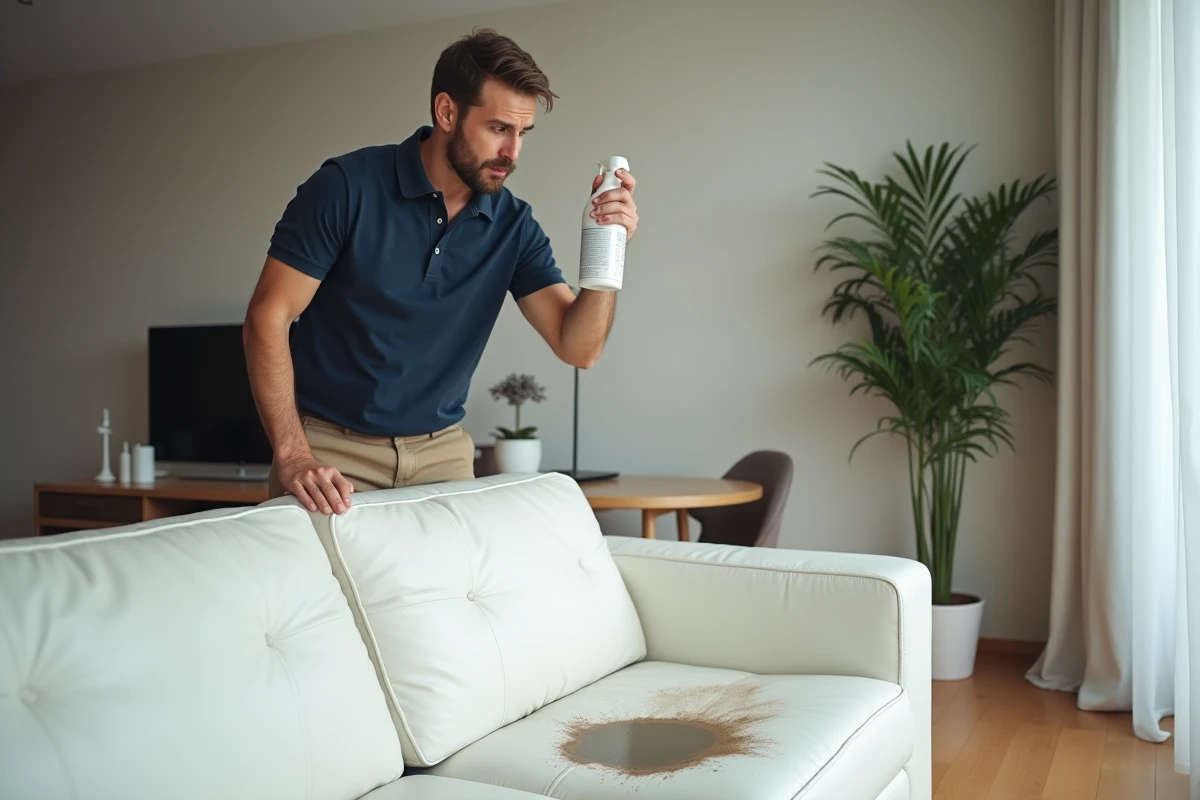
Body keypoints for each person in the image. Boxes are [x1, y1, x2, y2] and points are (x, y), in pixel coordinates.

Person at [243, 28, 638, 516]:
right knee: (321, 592)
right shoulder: (346, 187)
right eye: (498, 129)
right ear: (447, 112)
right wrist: (293, 453)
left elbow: (579, 348)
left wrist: (606, 254)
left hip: (442, 453)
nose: (512, 153)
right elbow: (268, 315)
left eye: (522, 133)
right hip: (330, 450)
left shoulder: (513, 224)